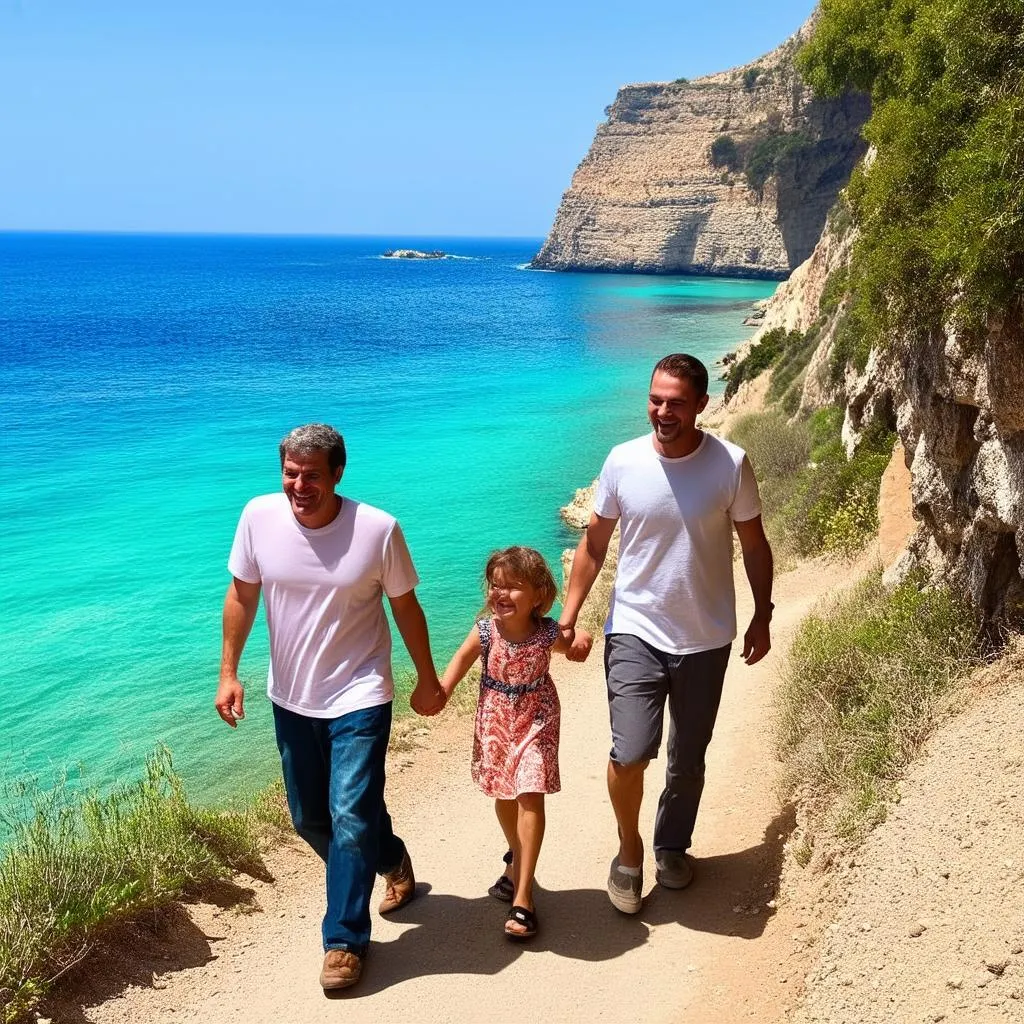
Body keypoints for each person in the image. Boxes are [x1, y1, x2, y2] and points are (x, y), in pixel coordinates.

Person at [214, 423, 446, 992]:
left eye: (311, 475)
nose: (298, 485)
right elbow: (243, 595)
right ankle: (388, 857)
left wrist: (427, 678)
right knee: (310, 818)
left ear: (337, 473)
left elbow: (405, 608)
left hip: (360, 693)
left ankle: (343, 941)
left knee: (346, 817)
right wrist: (228, 673)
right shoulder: (257, 517)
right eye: (290, 473)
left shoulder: (377, 529)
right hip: (290, 696)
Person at [558, 353, 774, 914]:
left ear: (702, 404)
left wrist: (763, 614)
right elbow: (594, 544)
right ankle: (629, 851)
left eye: (676, 402)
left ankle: (671, 846)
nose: (663, 411)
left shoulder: (730, 463)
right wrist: (569, 614)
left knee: (687, 758)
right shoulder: (622, 461)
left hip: (706, 636)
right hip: (633, 629)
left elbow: (754, 543)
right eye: (656, 399)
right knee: (630, 752)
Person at [440, 546, 593, 939]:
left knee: (530, 792)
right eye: (495, 586)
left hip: (537, 717)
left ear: (539, 595)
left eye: (513, 587)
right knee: (504, 796)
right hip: (495, 720)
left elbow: (571, 645)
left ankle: (523, 896)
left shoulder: (546, 633)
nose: (501, 594)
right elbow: (459, 660)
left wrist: (582, 641)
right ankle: (516, 857)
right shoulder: (486, 630)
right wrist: (440, 690)